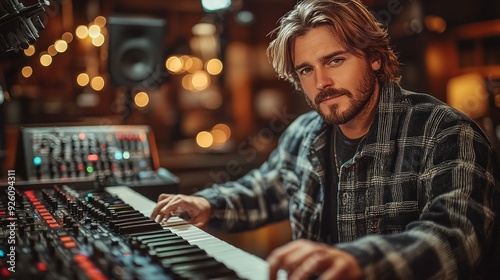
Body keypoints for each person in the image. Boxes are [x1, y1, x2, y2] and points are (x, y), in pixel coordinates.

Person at [151, 0, 500, 279]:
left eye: (335, 60)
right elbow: (266, 188)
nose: (321, 82)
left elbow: (458, 237)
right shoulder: (304, 132)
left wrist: (358, 263)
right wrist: (207, 204)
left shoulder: (446, 132)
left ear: (375, 59)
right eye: (306, 69)